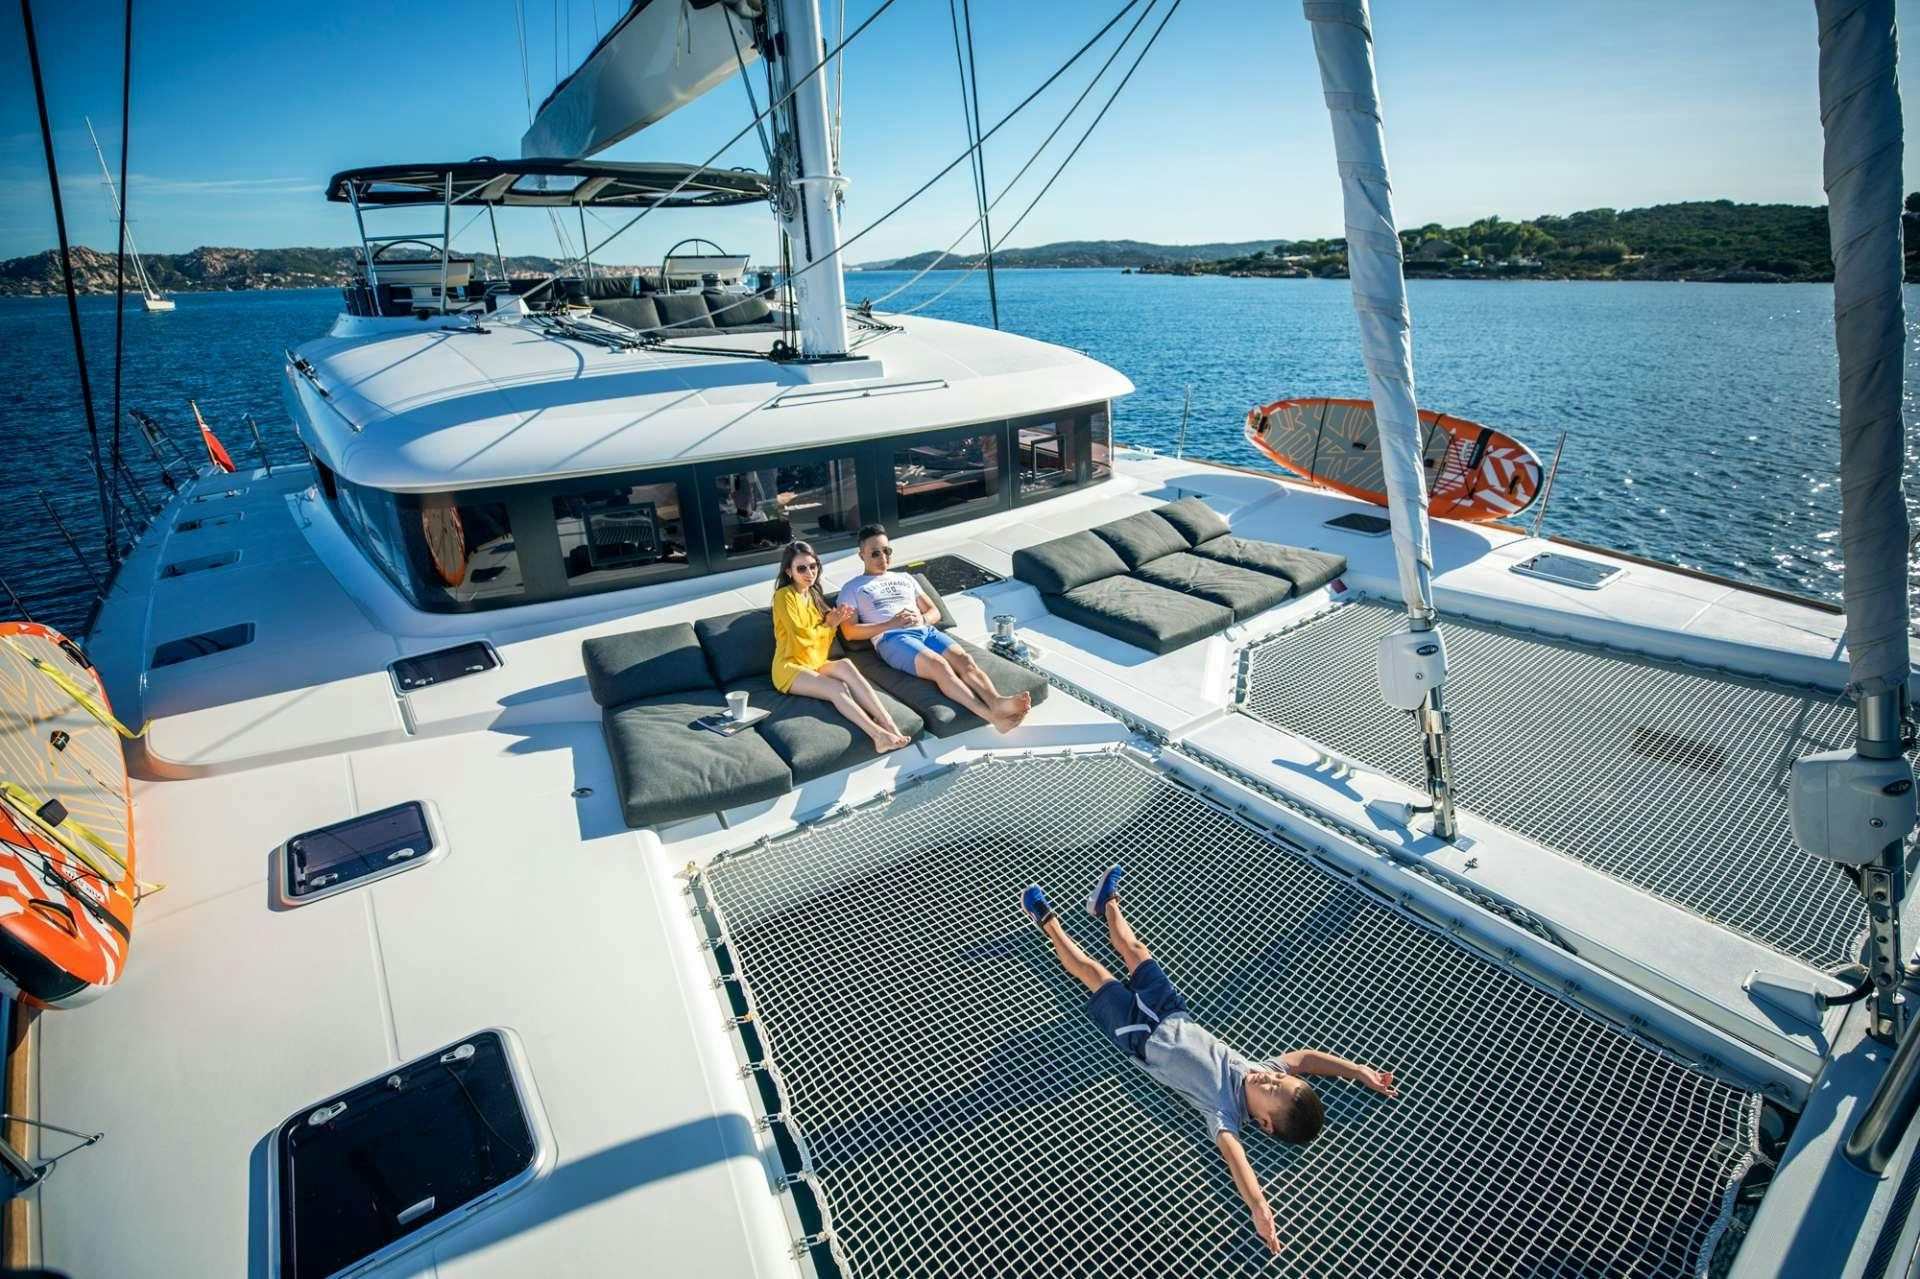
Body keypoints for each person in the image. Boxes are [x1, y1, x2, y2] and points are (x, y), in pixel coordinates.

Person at [1022, 867, 1398, 1257]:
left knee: (1093, 972)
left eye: (1272, 1091)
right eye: (1278, 1081)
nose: (1268, 1080)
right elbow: (1304, 1060)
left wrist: (1259, 1207)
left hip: (1139, 1034)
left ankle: (1047, 923)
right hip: (1172, 1010)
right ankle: (1107, 904)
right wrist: (1357, 1071)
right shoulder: (1263, 1069)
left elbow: (1239, 1165)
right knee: (1134, 950)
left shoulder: (1224, 1112)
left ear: (1264, 1124)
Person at [838, 524, 1032, 733]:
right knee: (939, 666)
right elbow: (849, 631)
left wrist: (921, 619)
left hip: (926, 630)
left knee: (965, 661)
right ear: (861, 555)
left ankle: (997, 702)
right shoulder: (852, 588)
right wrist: (890, 624)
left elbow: (934, 612)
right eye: (875, 553)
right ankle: (992, 717)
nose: (883, 558)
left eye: (887, 551)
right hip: (892, 638)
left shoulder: (905, 578)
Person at [770, 541, 912, 753]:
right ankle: (878, 736)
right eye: (801, 568)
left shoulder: (813, 596)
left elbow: (822, 644)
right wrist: (829, 625)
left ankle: (889, 724)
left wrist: (832, 625)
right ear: (789, 571)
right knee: (837, 687)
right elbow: (801, 637)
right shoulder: (783, 597)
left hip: (813, 662)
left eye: (813, 566)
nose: (809, 572)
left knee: (845, 665)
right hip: (789, 667)